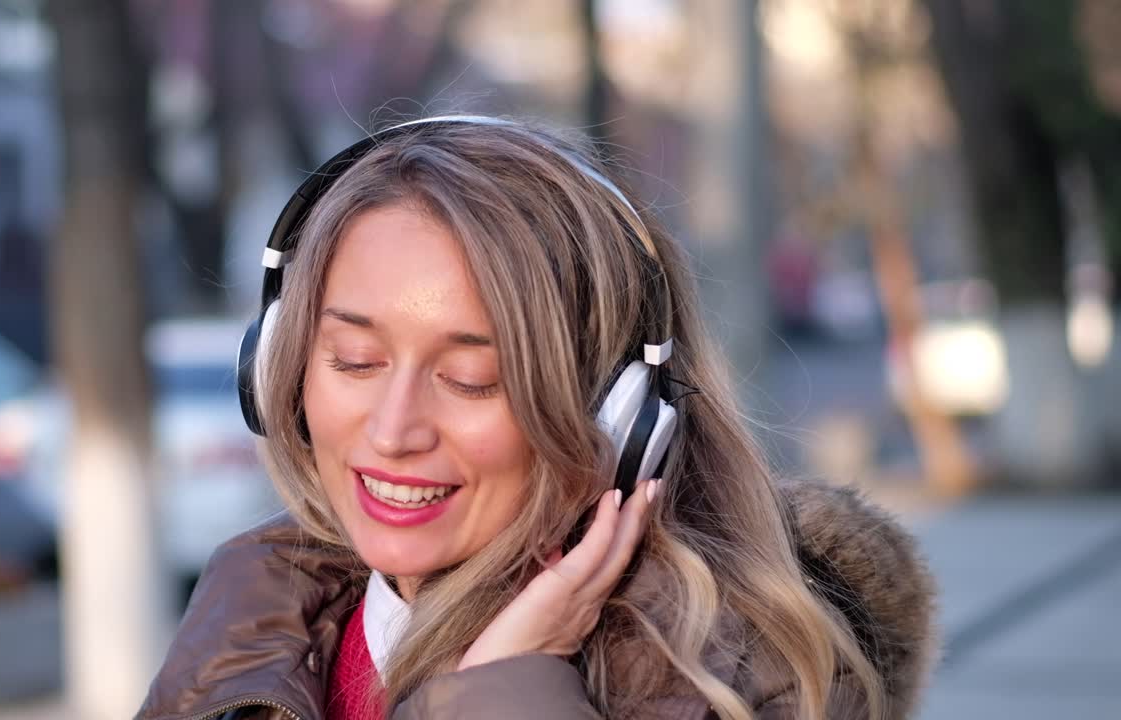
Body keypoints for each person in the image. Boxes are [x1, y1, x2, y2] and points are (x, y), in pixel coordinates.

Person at [136, 116, 937, 720]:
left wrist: (502, 692)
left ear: (619, 418)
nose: (392, 430)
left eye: (472, 378)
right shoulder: (255, 611)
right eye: (354, 361)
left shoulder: (739, 678)